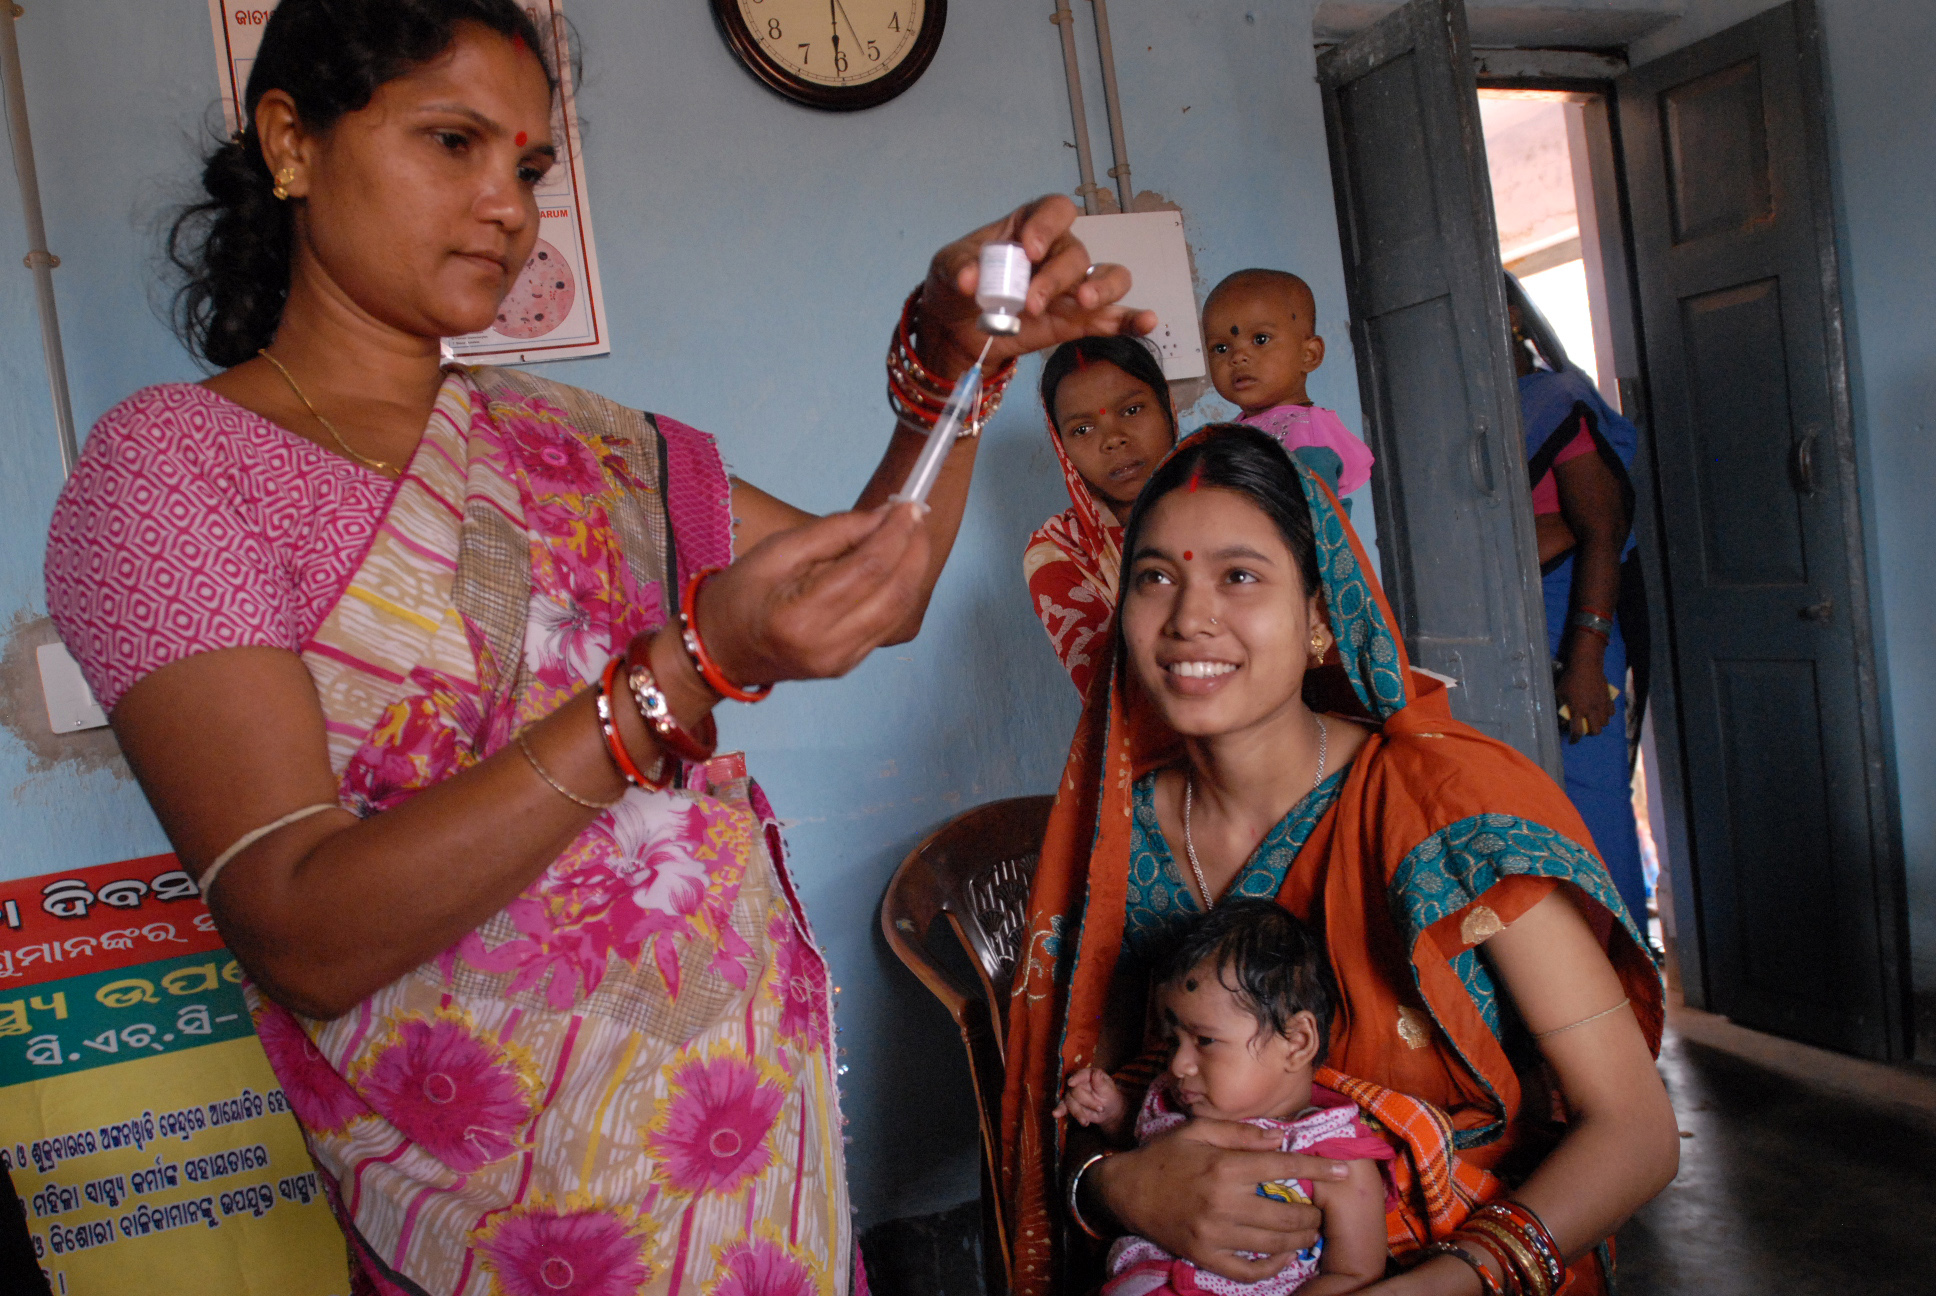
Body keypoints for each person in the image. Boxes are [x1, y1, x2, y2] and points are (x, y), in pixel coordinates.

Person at [40, 2, 1153, 1291]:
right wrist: (681, 674)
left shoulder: (585, 440)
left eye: (525, 168)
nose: (505, 207)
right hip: (513, 1219)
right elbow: (301, 929)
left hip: (755, 1177)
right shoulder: (174, 472)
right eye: (449, 142)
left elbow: (873, 592)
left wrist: (952, 374)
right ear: (290, 142)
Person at [1001, 427, 1676, 1296]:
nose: (1188, 618)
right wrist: (1121, 1184)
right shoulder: (1111, 839)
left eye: (1239, 576)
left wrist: (1440, 1283)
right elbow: (1074, 1112)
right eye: (1155, 577)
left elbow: (1636, 1129)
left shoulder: (1445, 811)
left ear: (1321, 615)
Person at [1058, 900, 1396, 1296]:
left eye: (1205, 1040)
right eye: (1173, 1042)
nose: (1179, 1064)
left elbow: (1357, 1274)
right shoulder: (1174, 1102)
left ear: (1297, 1042)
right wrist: (1109, 1110)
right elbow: (1139, 1143)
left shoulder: (1335, 1159)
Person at [1503, 275, 1648, 927]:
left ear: (1510, 317)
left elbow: (1602, 531)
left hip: (1573, 623)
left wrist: (1586, 661)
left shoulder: (1555, 399)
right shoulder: (1466, 414)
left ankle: (1622, 997)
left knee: (1593, 816)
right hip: (1503, 631)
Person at [1024, 335, 1180, 698]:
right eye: (1082, 429)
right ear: (1062, 446)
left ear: (1168, 408)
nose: (1113, 439)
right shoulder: (1059, 552)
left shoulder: (1232, 503)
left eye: (1132, 410)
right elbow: (1112, 695)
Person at [1201, 271, 1374, 504]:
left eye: (1260, 339)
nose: (1238, 356)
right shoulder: (1232, 430)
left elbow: (1316, 520)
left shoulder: (1308, 434)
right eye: (1221, 348)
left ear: (1309, 354)